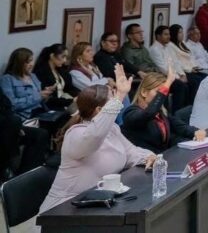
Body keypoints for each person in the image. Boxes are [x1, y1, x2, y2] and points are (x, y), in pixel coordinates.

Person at [39, 65, 156, 214]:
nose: (118, 105)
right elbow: (95, 135)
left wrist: (149, 157)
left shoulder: (112, 129)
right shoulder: (75, 134)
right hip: (64, 209)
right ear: (99, 111)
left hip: (97, 205)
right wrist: (120, 95)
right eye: (112, 101)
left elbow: (130, 152)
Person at [121, 62, 205, 153]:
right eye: (159, 92)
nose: (162, 96)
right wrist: (168, 82)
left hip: (164, 157)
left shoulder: (160, 112)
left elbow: (178, 127)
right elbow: (148, 114)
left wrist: (195, 133)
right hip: (145, 159)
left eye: (165, 92)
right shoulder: (131, 113)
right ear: (144, 92)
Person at [0, 48, 52, 120]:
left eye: (32, 60)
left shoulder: (33, 76)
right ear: (18, 64)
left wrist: (45, 94)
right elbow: (12, 105)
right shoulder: (7, 79)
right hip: (26, 116)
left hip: (42, 110)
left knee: (64, 118)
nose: (31, 64)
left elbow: (39, 99)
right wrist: (38, 96)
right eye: (28, 62)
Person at [33, 43, 76, 108]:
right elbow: (49, 99)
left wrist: (79, 95)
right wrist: (70, 101)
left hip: (64, 102)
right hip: (54, 106)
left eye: (66, 57)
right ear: (52, 56)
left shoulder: (61, 70)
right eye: (63, 57)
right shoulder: (41, 72)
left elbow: (69, 88)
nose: (65, 60)